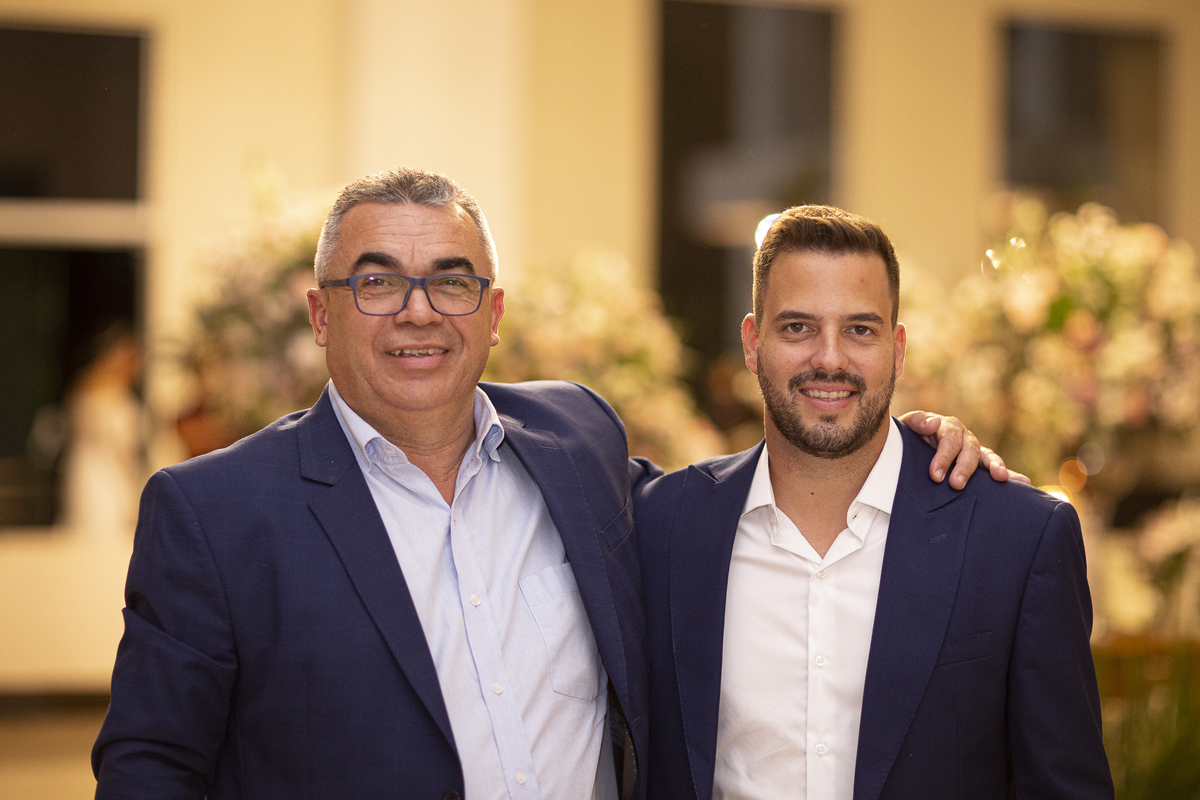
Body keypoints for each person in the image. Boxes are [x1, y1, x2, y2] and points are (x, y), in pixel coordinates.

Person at [92, 168, 1001, 800]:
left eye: (451, 283)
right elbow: (149, 772)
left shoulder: (576, 442)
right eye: (377, 282)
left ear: (493, 314)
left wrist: (905, 449)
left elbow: (737, 497)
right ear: (320, 314)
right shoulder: (215, 514)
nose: (418, 311)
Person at [634, 206, 1113, 799]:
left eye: (860, 330)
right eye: (798, 327)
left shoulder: (1017, 539)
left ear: (898, 348)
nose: (829, 358)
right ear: (753, 344)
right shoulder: (661, 526)